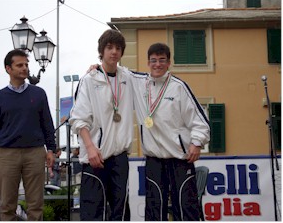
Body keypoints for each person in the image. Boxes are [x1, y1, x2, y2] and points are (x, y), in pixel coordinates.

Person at [129, 43, 210, 221]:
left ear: (168, 63)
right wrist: (97, 68)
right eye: (153, 60)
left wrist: (196, 142)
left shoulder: (179, 87)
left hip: (179, 159)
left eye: (162, 60)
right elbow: (116, 71)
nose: (157, 64)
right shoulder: (139, 82)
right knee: (154, 210)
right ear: (148, 62)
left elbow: (201, 121)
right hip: (154, 160)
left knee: (186, 208)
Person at [0, 49, 56, 221]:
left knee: (35, 205)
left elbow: (47, 123)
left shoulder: (38, 94)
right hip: (7, 154)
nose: (24, 68)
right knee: (7, 206)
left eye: (26, 64)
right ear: (8, 68)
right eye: (20, 65)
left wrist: (51, 149)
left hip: (35, 153)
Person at [69, 29, 133, 221]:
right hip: (95, 156)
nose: (114, 51)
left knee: (120, 211)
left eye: (118, 48)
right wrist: (90, 148)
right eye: (109, 47)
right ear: (101, 51)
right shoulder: (89, 80)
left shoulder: (128, 78)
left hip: (120, 157)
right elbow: (78, 118)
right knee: (93, 211)